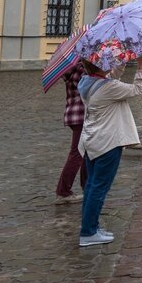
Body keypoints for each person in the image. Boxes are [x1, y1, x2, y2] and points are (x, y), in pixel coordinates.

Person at [77, 55, 142, 247]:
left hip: (91, 140)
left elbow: (111, 77)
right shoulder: (108, 88)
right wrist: (140, 66)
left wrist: (125, 58)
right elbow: (137, 89)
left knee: (92, 185)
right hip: (107, 143)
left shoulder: (87, 82)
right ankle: (88, 232)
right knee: (99, 187)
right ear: (102, 66)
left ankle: (90, 226)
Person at [54, 60, 88, 204]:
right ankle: (63, 192)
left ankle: (87, 187)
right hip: (81, 115)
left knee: (86, 152)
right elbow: (89, 90)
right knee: (77, 154)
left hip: (73, 114)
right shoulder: (81, 70)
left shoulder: (72, 68)